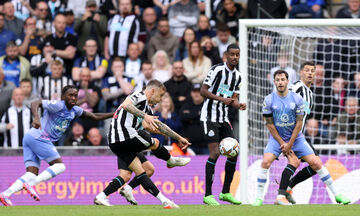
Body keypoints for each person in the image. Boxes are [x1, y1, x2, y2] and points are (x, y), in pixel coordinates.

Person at [0, 85, 114, 206]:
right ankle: (32, 184)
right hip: (40, 137)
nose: (73, 97)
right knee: (60, 166)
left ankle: (6, 194)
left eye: (75, 95)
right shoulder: (58, 105)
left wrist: (115, 113)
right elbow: (35, 103)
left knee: (31, 173)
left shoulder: (75, 110)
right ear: (63, 96)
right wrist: (37, 118)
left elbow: (95, 116)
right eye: (70, 95)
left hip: (30, 138)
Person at [252, 70, 350, 206]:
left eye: (283, 80)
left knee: (316, 163)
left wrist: (290, 143)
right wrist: (282, 143)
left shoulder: (298, 98)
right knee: (266, 162)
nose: (280, 82)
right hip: (277, 139)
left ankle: (337, 195)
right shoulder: (269, 99)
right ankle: (259, 198)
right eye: (278, 80)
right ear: (274, 82)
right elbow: (269, 124)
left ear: (287, 81)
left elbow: (299, 123)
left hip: (296, 138)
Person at [94, 80, 191, 208]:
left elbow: (156, 125)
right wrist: (145, 116)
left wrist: (178, 137)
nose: (161, 99)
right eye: (160, 96)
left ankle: (164, 201)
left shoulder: (146, 107)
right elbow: (126, 105)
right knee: (153, 141)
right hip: (123, 136)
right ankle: (171, 160)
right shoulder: (139, 96)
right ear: (152, 91)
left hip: (117, 142)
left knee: (142, 172)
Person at [200, 44, 246, 206]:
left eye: (237, 55)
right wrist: (223, 100)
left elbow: (232, 99)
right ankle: (208, 195)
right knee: (214, 153)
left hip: (223, 118)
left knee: (234, 152)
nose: (234, 57)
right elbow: (203, 91)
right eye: (232, 54)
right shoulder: (216, 70)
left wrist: (238, 104)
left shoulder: (239, 77)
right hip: (209, 117)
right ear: (226, 55)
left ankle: (226, 192)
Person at [180, 83, 207, 154]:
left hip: (206, 144)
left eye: (199, 91)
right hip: (190, 144)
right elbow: (183, 118)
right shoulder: (186, 105)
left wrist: (190, 116)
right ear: (191, 93)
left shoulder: (207, 106)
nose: (196, 94)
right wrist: (198, 113)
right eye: (194, 91)